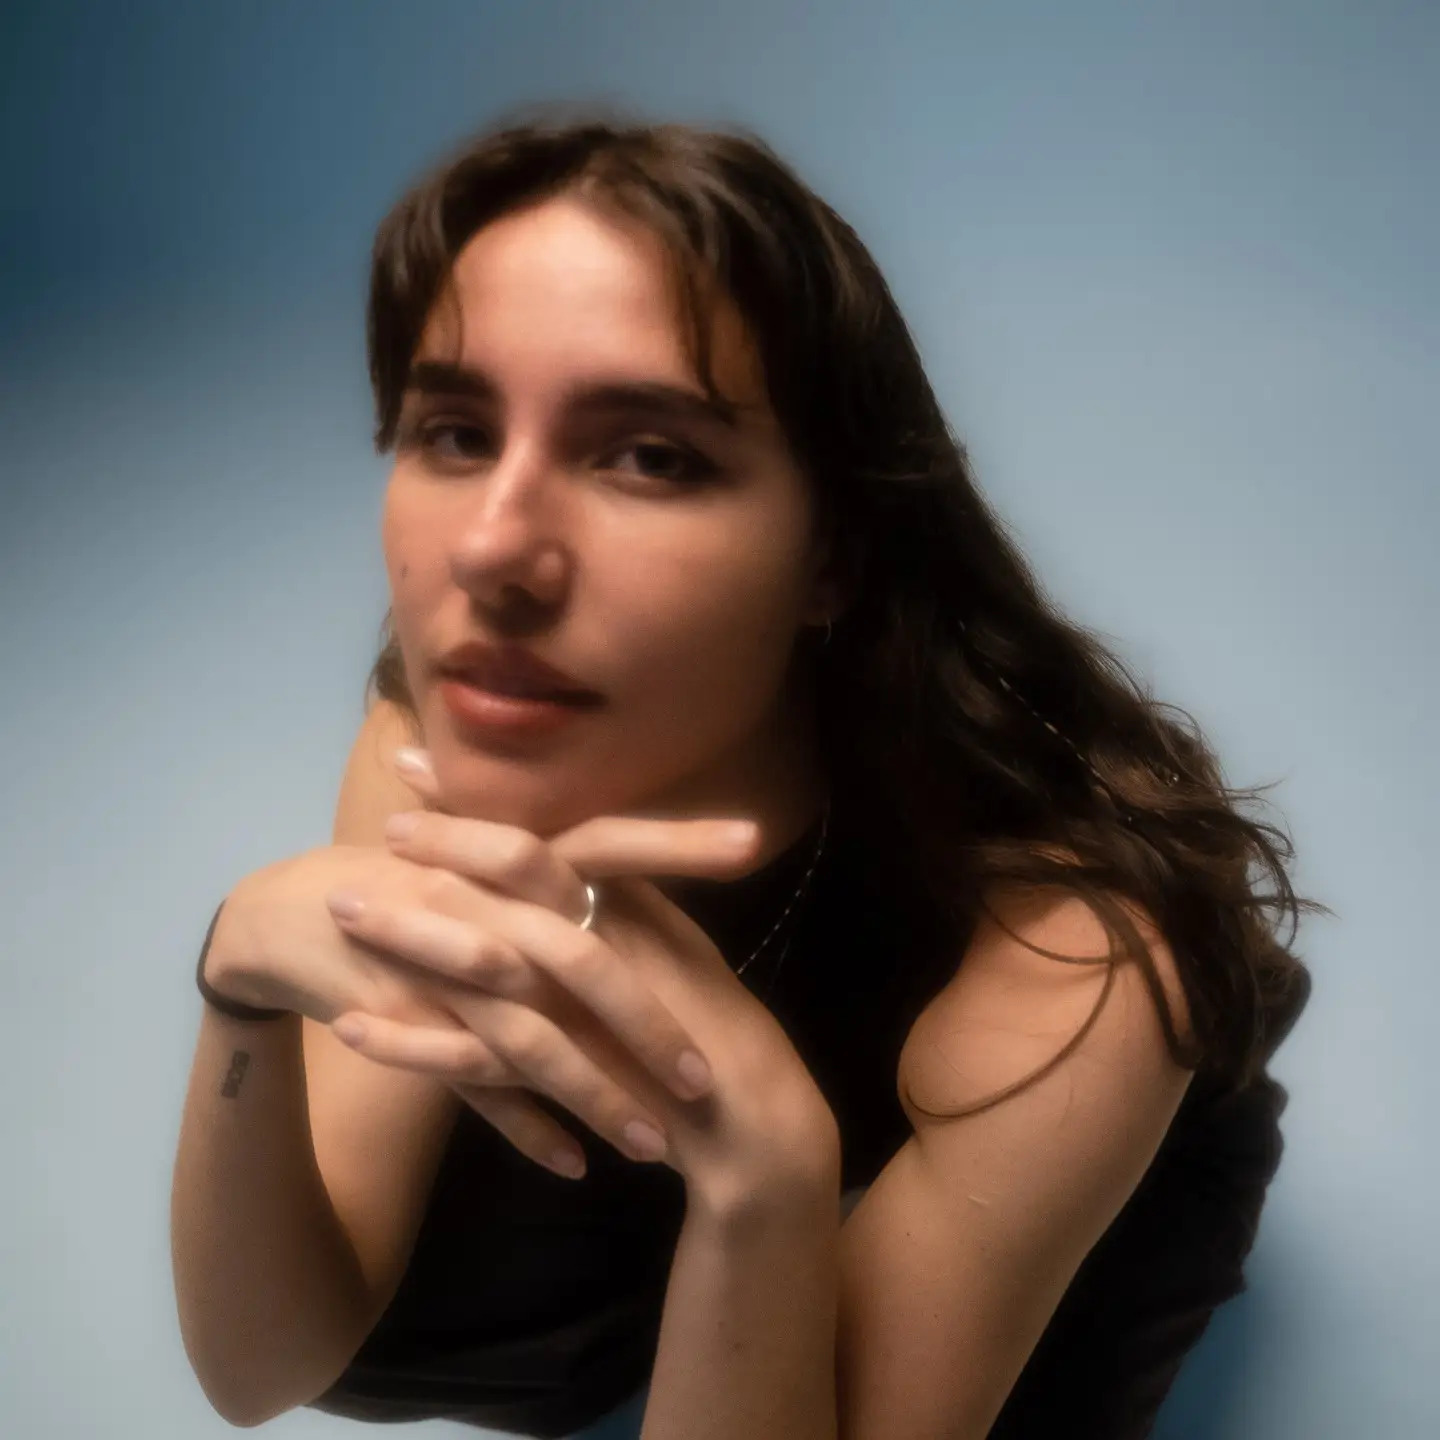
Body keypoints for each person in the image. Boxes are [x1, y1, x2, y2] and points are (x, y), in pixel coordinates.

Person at [169, 108, 1317, 1440]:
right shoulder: (447, 743)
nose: (491, 549)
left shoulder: (1076, 951)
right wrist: (237, 986)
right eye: (458, 433)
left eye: (649, 456)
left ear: (835, 554)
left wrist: (764, 1174)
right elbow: (261, 1370)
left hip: (1074, 1159)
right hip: (681, 1165)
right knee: (450, 1322)